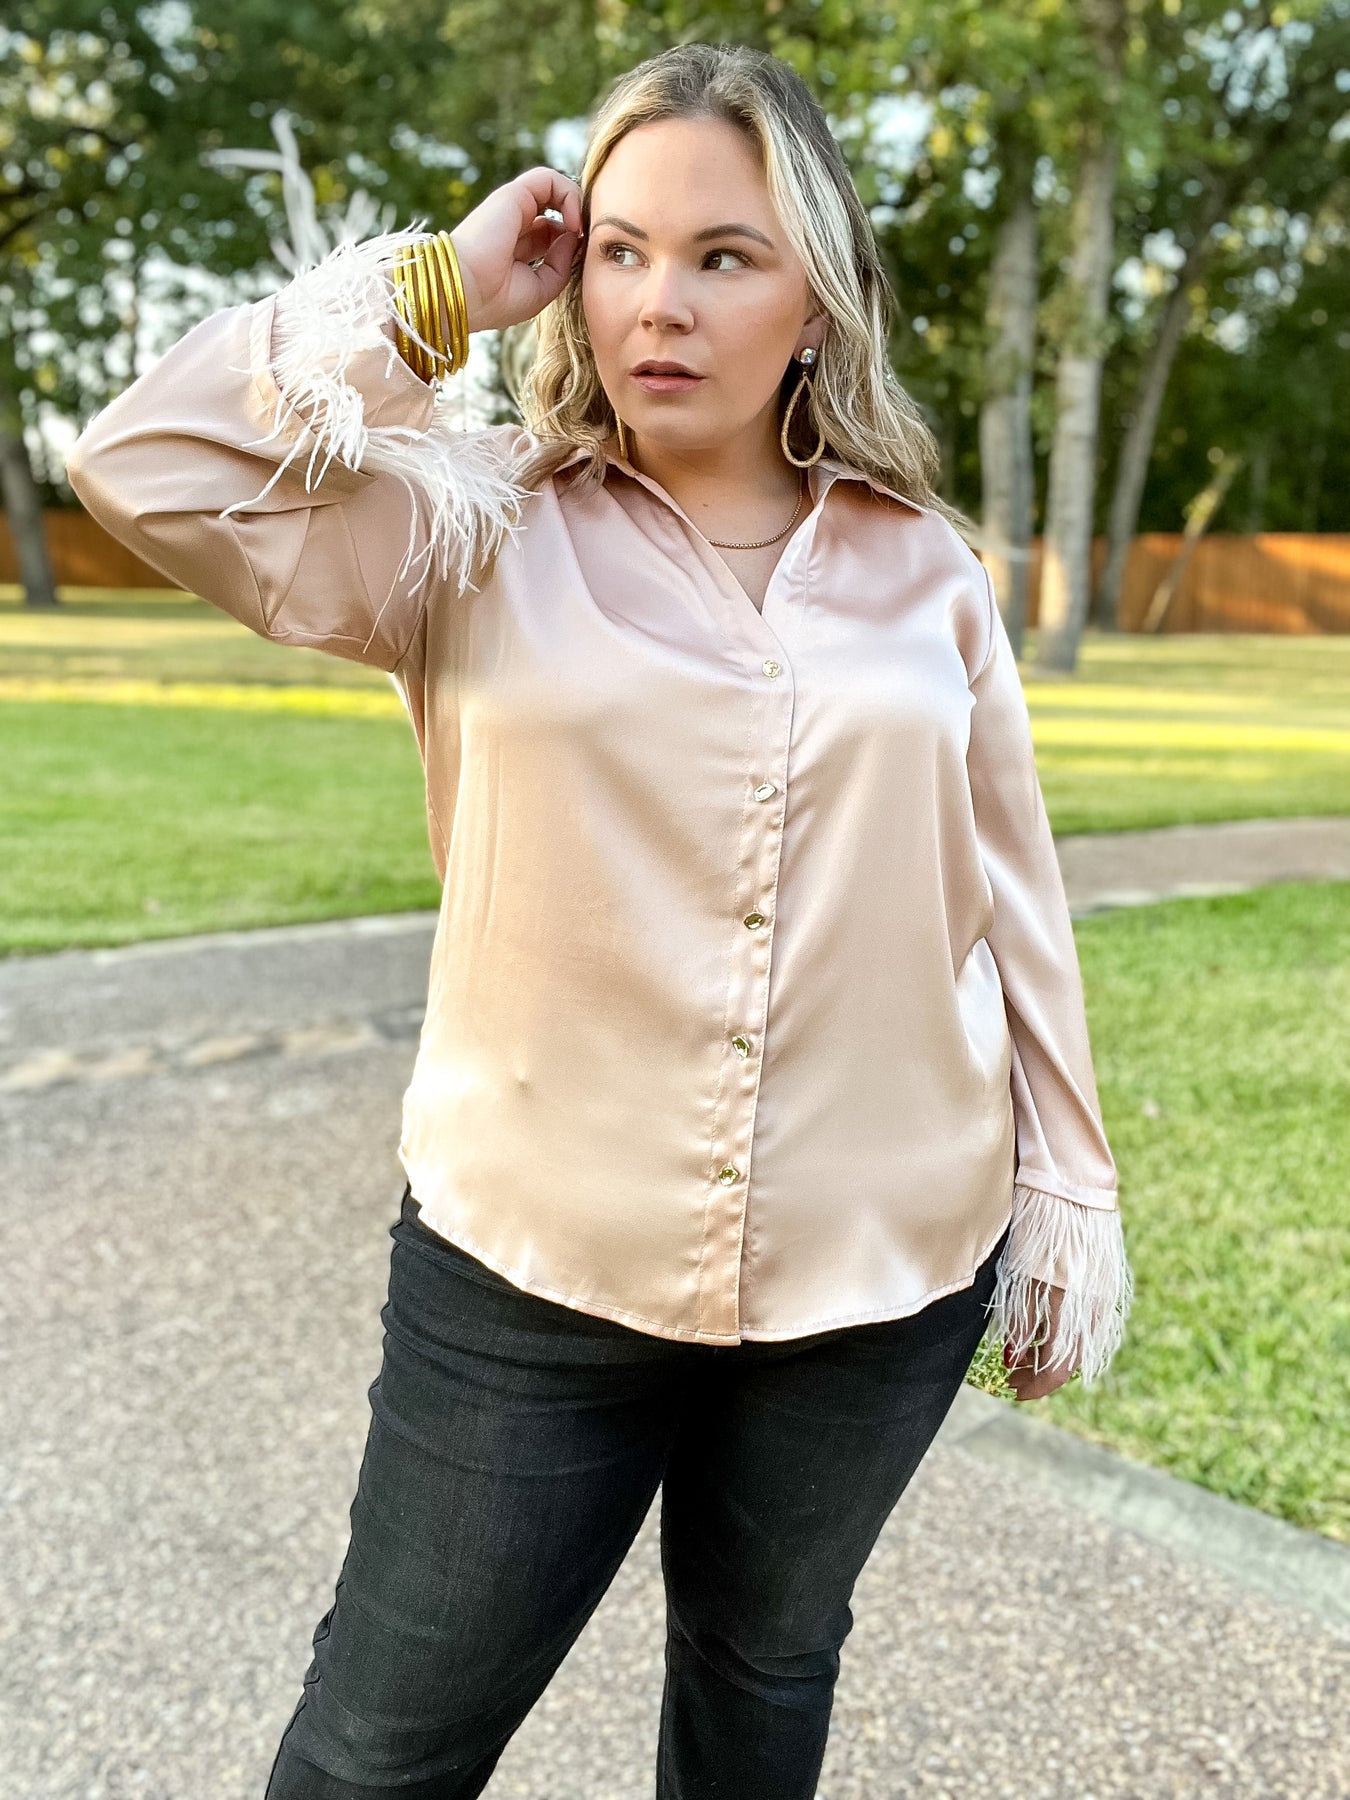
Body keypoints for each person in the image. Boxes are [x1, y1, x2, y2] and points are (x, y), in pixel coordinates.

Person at [66, 40, 1133, 1800]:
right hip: (531, 1270)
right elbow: (147, 468)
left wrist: (1064, 1186)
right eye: (621, 250)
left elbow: (1005, 890)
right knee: (379, 1750)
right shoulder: (470, 523)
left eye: (723, 256)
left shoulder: (925, 572)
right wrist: (440, 289)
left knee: (761, 1674)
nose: (660, 304)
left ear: (815, 300)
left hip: (875, 1272)